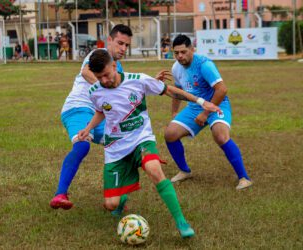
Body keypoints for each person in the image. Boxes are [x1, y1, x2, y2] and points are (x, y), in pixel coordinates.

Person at [78, 49, 220, 238]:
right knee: (111, 204)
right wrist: (88, 129)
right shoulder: (95, 91)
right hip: (115, 148)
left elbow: (169, 90)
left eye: (106, 75)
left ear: (114, 66)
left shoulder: (138, 79)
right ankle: (121, 199)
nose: (104, 81)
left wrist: (202, 102)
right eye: (99, 77)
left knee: (154, 169)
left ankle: (182, 223)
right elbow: (101, 111)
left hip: (140, 139)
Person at [49, 25, 132, 210]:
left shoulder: (117, 67)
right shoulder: (98, 54)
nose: (123, 48)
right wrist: (106, 87)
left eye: (126, 45)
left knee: (121, 144)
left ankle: (115, 199)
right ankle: (60, 194)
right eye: (120, 43)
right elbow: (87, 72)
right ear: (109, 40)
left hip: (98, 115)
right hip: (77, 107)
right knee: (83, 144)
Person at [164, 34, 252, 190]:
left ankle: (244, 178)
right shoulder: (176, 67)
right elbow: (178, 92)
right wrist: (174, 113)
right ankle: (185, 171)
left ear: (192, 49)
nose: (180, 56)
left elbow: (222, 90)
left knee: (220, 135)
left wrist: (205, 114)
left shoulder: (204, 65)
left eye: (183, 52)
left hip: (217, 104)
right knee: (170, 134)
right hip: (195, 107)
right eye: (176, 53)